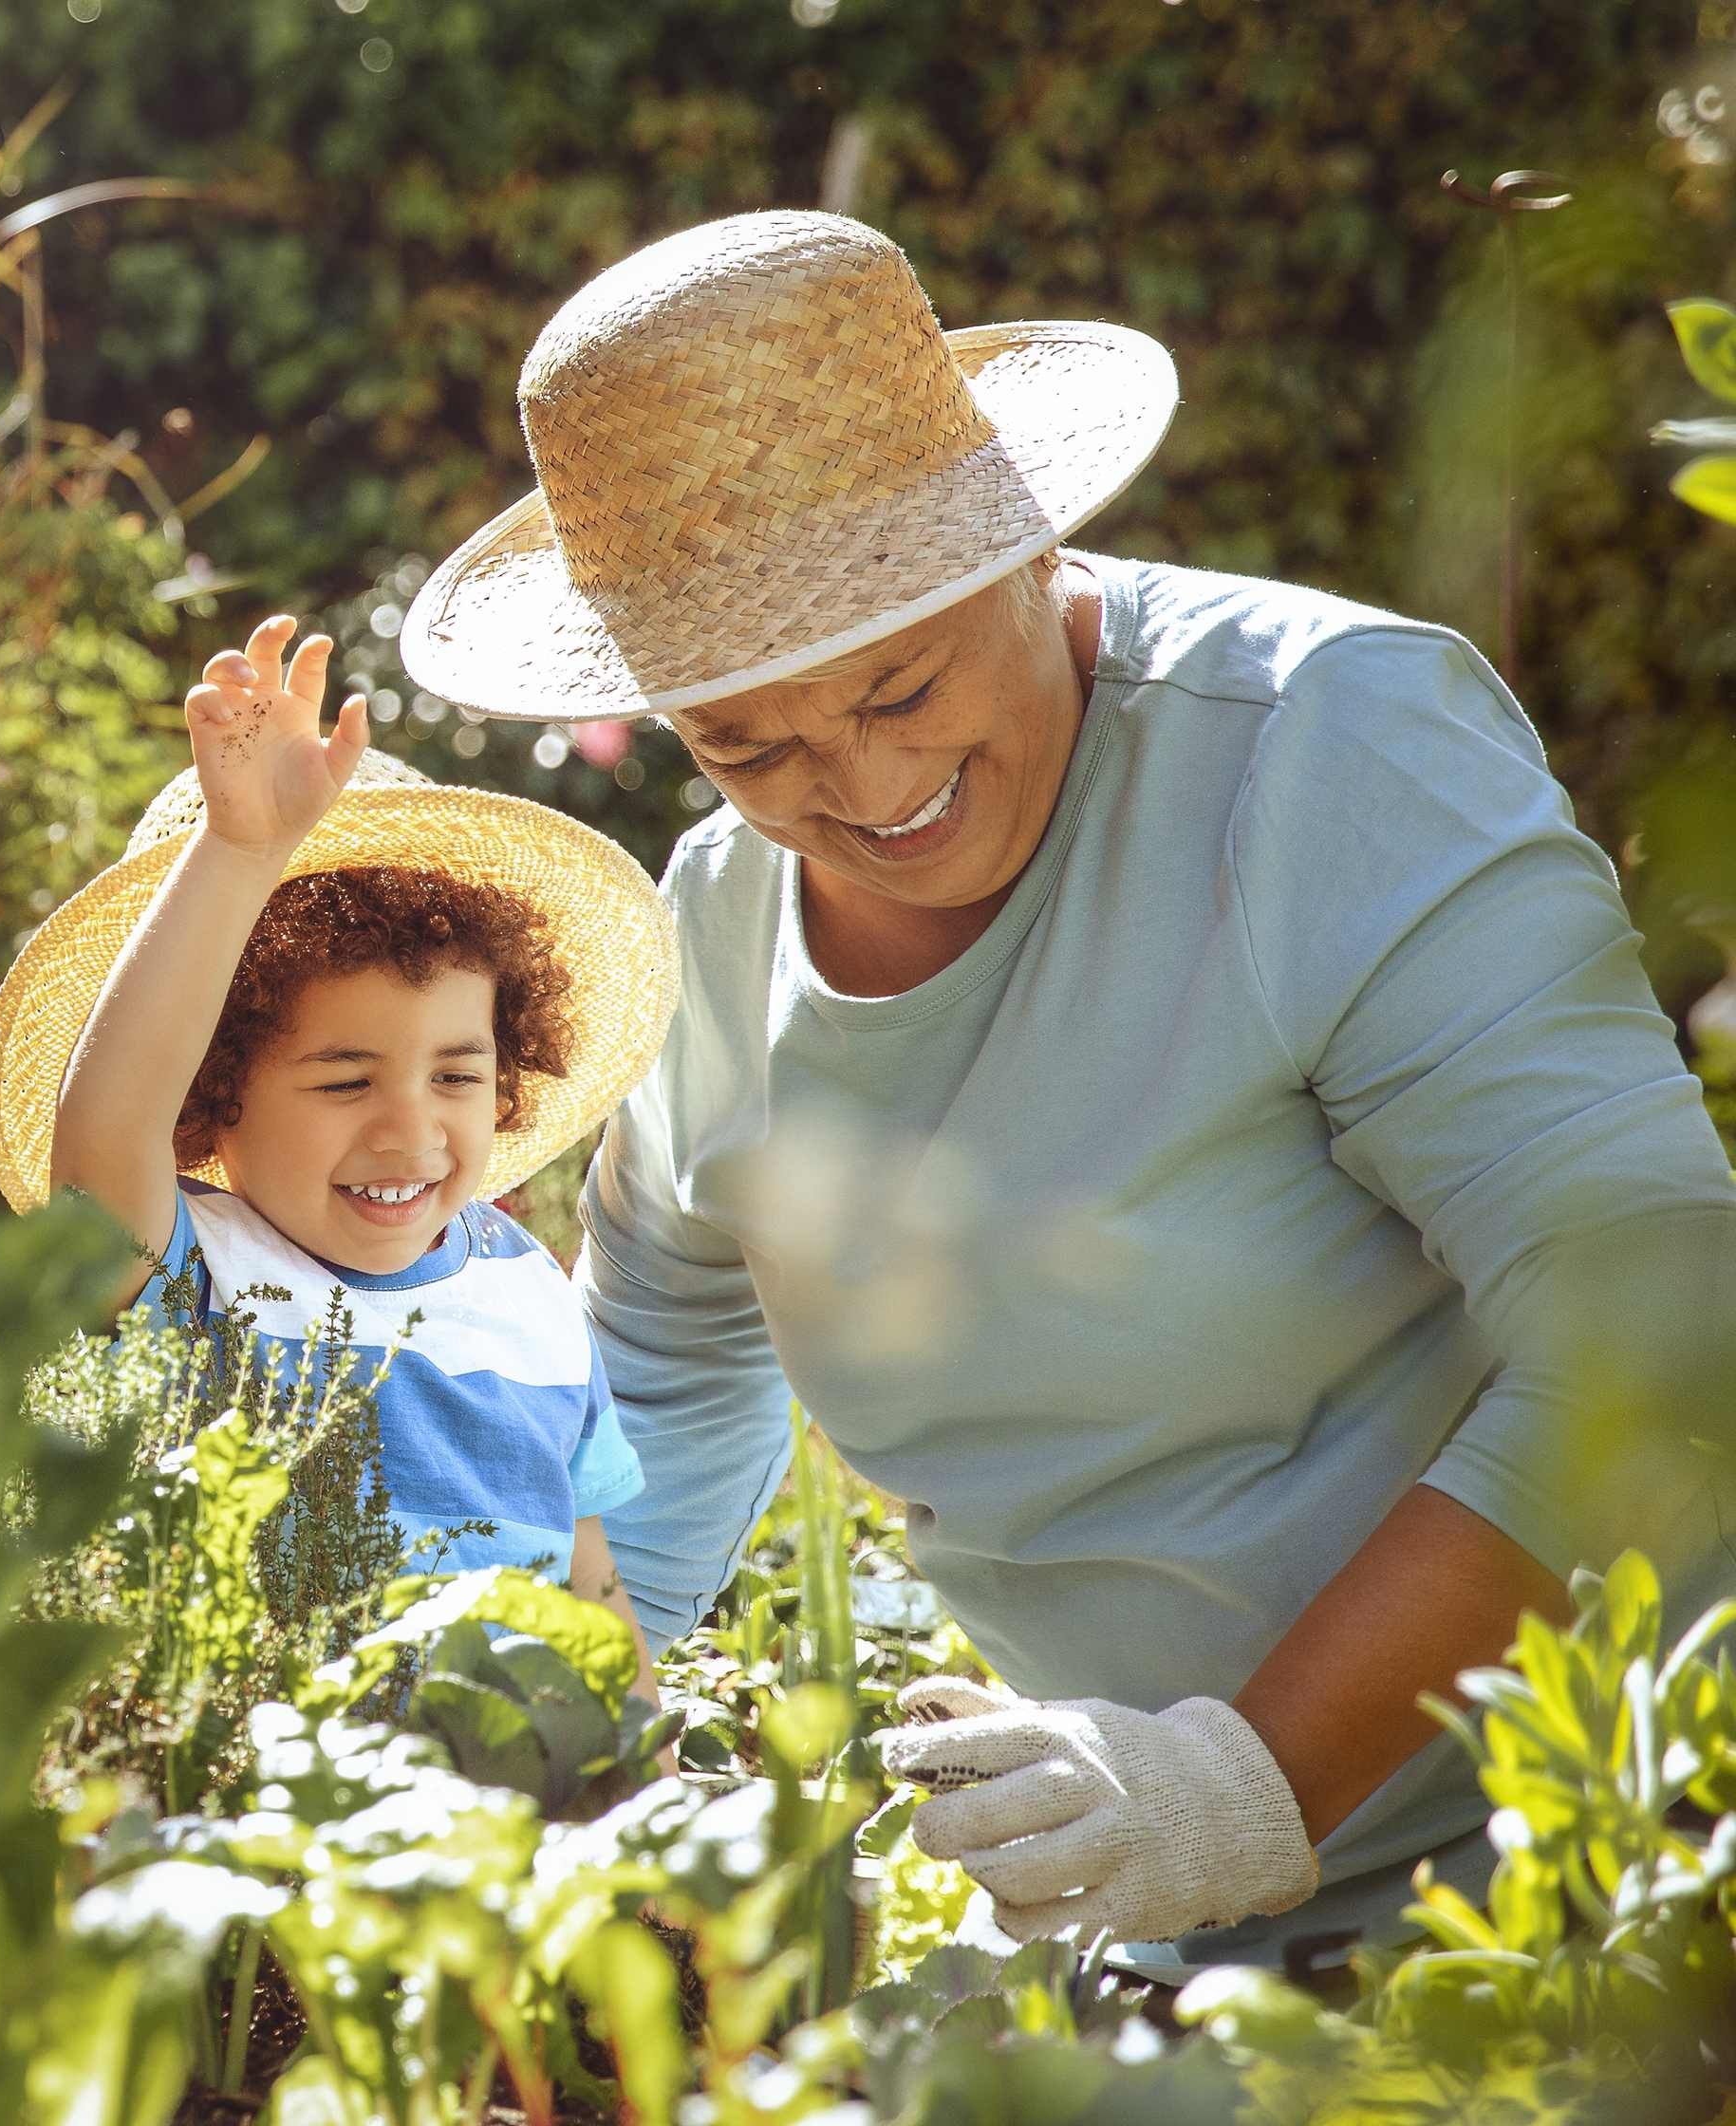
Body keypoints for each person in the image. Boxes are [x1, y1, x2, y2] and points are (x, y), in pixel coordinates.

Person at [399, 208, 1736, 1977]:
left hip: (1623, 1865)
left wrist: (1237, 1782)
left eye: (901, 684)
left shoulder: (1322, 748)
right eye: (749, 744)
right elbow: (665, 1367)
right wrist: (553, 1731)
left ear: (1027, 543)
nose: (864, 785)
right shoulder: (714, 934)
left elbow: (1660, 1329)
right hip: (1170, 1933)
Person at [0, 616, 680, 1646]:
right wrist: (240, 850)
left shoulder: (528, 1289)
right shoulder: (193, 1273)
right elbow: (106, 1128)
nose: (411, 1126)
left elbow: (590, 1579)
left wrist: (646, 1781)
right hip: (281, 1792)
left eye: (456, 1073)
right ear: (209, 1095)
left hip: (517, 1788)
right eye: (344, 1080)